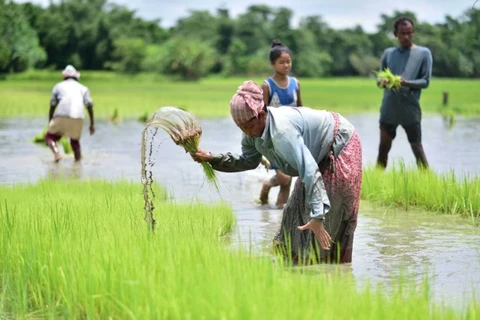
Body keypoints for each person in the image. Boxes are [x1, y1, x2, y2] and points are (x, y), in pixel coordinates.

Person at [190, 81, 362, 264]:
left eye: (248, 126)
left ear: (261, 114)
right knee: (292, 215)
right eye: (241, 128)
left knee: (325, 221)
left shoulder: (282, 132)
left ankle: (330, 276)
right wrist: (212, 158)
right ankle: (292, 271)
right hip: (316, 154)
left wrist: (318, 216)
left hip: (339, 145)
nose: (246, 132)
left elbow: (310, 170)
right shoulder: (251, 134)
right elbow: (248, 161)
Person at [376, 16, 432, 169]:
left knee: (417, 149)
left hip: (410, 110)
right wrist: (384, 82)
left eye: (409, 33)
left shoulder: (424, 53)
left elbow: (425, 81)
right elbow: (379, 80)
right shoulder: (388, 53)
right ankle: (376, 183)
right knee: (383, 150)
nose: (406, 36)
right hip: (389, 110)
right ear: (395, 34)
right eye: (402, 33)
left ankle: (427, 182)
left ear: (413, 32)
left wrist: (406, 83)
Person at [258, 39, 303, 208]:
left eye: (288, 62)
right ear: (272, 63)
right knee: (283, 177)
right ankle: (267, 184)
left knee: (287, 182)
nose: (286, 65)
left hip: (292, 136)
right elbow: (261, 113)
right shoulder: (267, 86)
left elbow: (300, 108)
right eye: (281, 62)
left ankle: (278, 220)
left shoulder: (295, 83)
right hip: (274, 138)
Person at [45, 65, 95, 162]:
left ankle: (56, 154)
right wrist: (92, 124)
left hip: (61, 115)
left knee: (49, 137)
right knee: (75, 141)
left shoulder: (58, 86)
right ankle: (78, 163)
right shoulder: (83, 88)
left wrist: (50, 121)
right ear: (76, 77)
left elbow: (53, 105)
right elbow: (89, 105)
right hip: (78, 116)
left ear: (64, 76)